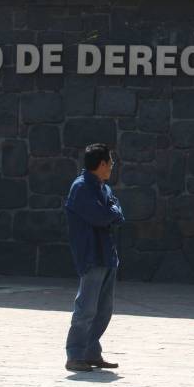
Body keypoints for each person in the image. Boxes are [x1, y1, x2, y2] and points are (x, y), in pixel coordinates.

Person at [64, 143, 125, 373]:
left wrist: (112, 211)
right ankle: (75, 354)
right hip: (91, 256)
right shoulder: (81, 189)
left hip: (107, 255)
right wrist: (112, 211)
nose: (111, 167)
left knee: (103, 309)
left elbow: (118, 215)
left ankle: (91, 351)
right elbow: (102, 216)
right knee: (86, 308)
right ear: (101, 164)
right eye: (110, 163)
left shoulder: (103, 188)